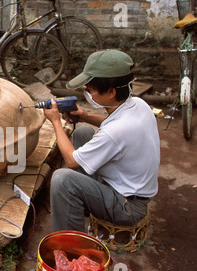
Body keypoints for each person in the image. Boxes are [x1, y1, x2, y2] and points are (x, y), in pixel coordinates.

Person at [43, 49, 160, 232]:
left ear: (111, 92)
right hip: (128, 186)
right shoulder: (138, 104)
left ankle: (70, 247)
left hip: (128, 207)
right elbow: (112, 126)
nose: (88, 94)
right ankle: (79, 200)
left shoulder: (115, 132)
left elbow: (72, 162)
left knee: (62, 179)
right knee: (83, 133)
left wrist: (56, 121)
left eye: (90, 90)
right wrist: (85, 116)